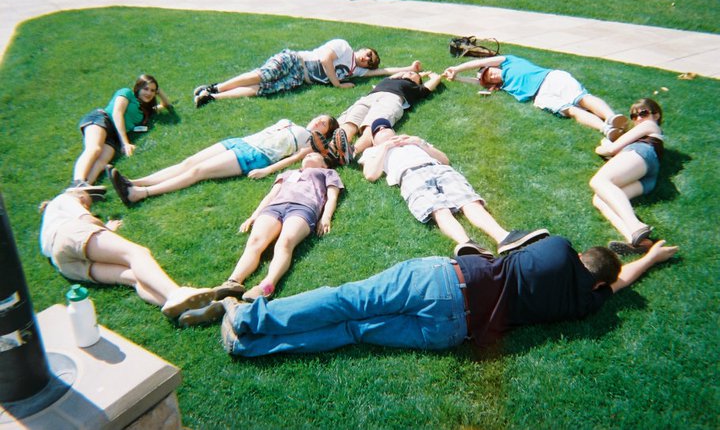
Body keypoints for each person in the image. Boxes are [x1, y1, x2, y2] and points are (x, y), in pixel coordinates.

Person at [218, 235, 678, 356]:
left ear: (582, 253)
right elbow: (616, 283)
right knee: (355, 329)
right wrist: (649, 262)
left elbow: (507, 248)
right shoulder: (587, 304)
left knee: (346, 300)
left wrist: (644, 254)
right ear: (598, 284)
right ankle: (250, 345)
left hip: (445, 281)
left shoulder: (557, 248)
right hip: (452, 332)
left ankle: (249, 318)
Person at [177, 153, 343, 327]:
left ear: (324, 165)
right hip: (274, 207)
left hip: (303, 207)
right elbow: (270, 196)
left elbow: (332, 197)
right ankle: (232, 282)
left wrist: (326, 217)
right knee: (255, 242)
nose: (309, 154)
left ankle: (266, 285)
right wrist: (253, 216)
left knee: (285, 242)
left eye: (315, 155)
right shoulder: (287, 174)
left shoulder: (327, 173)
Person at [360, 118, 548, 256]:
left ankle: (504, 237)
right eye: (378, 130)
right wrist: (384, 148)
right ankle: (467, 244)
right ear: (373, 140)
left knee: (470, 201)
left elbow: (444, 160)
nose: (383, 129)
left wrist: (420, 143)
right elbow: (370, 175)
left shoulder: (413, 141)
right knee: (438, 209)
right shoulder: (373, 151)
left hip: (438, 169)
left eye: (386, 126)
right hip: (410, 175)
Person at [39, 190, 215, 323]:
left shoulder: (47, 225)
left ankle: (185, 311)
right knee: (136, 253)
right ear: (78, 194)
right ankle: (176, 293)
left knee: (132, 277)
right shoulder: (64, 199)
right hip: (69, 234)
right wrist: (106, 229)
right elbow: (87, 220)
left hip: (63, 264)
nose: (87, 206)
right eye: (87, 203)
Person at [108, 115, 338, 206]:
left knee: (198, 171)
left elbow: (292, 160)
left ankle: (139, 194)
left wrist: (266, 172)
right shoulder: (288, 121)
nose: (319, 121)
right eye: (321, 117)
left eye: (324, 124)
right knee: (188, 162)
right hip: (239, 141)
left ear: (324, 132)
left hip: (254, 155)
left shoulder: (308, 142)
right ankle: (136, 181)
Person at [193, 38, 422, 108]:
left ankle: (211, 97)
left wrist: (409, 69)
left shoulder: (356, 71)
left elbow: (384, 71)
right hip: (295, 60)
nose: (368, 59)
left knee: (261, 90)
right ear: (362, 49)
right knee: (262, 75)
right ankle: (215, 86)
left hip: (298, 79)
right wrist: (338, 85)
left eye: (370, 61)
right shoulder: (344, 46)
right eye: (369, 54)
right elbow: (324, 59)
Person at [444, 55, 628, 140]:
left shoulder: (508, 61)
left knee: (581, 98)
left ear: (495, 66)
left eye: (489, 72)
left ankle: (612, 117)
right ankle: (606, 129)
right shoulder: (504, 86)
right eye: (487, 78)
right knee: (572, 110)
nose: (490, 75)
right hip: (540, 96)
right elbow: (478, 83)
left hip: (551, 78)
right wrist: (458, 78)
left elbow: (480, 62)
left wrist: (457, 68)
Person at [71, 74, 172, 195]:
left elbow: (166, 105)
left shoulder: (145, 110)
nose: (149, 93)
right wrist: (125, 143)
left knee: (102, 160)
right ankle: (78, 182)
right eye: (146, 89)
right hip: (102, 119)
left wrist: (159, 91)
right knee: (94, 149)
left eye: (152, 90)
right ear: (138, 88)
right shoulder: (126, 93)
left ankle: (82, 191)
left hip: (113, 136)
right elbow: (117, 113)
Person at [590, 99, 665, 255]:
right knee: (599, 199)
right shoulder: (648, 132)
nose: (638, 119)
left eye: (643, 113)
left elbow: (611, 149)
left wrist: (602, 146)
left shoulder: (650, 125)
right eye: (633, 116)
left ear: (656, 115)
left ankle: (636, 225)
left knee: (599, 181)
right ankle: (637, 241)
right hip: (648, 177)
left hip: (642, 155)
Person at [327, 70, 444, 165]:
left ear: (418, 81)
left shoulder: (416, 88)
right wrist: (414, 71)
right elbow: (399, 73)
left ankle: (352, 151)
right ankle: (332, 149)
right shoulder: (390, 79)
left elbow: (435, 80)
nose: (410, 72)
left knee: (372, 126)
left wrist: (430, 74)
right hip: (369, 98)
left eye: (414, 74)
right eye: (408, 72)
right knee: (350, 121)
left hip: (391, 99)